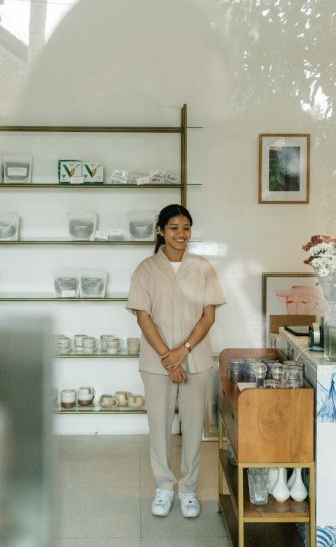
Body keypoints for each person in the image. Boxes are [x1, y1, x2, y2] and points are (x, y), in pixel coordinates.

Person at [126, 204, 226, 519]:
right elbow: (143, 318)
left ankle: (188, 489)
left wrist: (182, 351)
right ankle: (164, 487)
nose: (180, 234)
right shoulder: (145, 269)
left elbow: (208, 315)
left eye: (186, 228)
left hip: (194, 359)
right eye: (173, 228)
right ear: (160, 231)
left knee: (194, 426)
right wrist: (169, 359)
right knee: (159, 425)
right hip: (157, 362)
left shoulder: (203, 267)